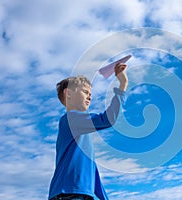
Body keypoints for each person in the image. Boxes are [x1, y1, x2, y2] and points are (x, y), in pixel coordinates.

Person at [48, 63, 128, 200]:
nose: (90, 97)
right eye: (85, 92)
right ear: (68, 94)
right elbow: (108, 119)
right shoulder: (70, 119)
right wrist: (123, 84)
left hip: (81, 194)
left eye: (90, 93)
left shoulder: (80, 131)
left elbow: (93, 174)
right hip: (69, 194)